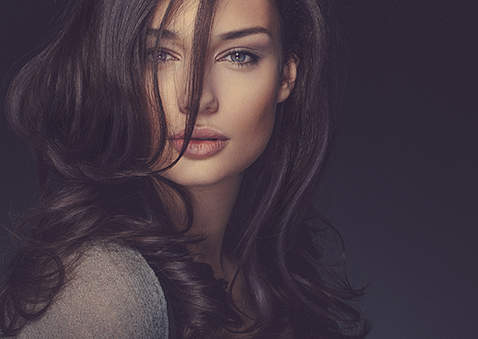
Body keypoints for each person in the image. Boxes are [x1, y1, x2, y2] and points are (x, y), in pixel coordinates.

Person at [0, 0, 369, 338]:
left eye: (238, 55)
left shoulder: (271, 274)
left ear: (287, 74)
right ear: (111, 69)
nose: (196, 99)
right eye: (159, 54)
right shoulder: (104, 289)